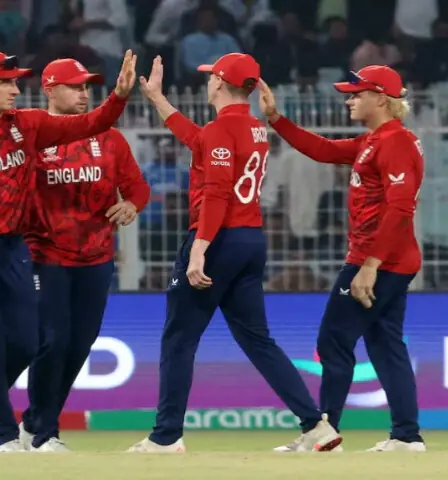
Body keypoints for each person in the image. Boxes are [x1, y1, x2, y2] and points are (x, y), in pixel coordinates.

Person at [0, 50, 137, 453]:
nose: (16, 89)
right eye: (6, 82)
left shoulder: (26, 125)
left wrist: (118, 97)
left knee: (31, 341)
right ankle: (3, 436)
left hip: (12, 245)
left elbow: (92, 123)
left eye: (17, 82)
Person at [126, 54, 341, 454]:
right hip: (249, 240)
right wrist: (157, 99)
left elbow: (218, 191)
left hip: (218, 239)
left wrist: (199, 251)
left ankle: (166, 436)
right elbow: (199, 143)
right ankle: (316, 427)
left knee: (179, 338)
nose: (207, 82)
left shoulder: (221, 129)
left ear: (220, 84)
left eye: (210, 77)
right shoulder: (253, 128)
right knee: (259, 341)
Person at [259, 65, 426, 452]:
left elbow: (400, 209)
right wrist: (276, 120)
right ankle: (406, 435)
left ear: (380, 98)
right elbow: (323, 150)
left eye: (356, 94)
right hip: (388, 259)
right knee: (385, 345)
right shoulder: (377, 140)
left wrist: (369, 266)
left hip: (378, 260)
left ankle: (324, 431)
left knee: (333, 340)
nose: (349, 100)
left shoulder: (394, 142)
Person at [17, 58, 151, 452]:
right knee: (53, 341)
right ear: (50, 89)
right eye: (74, 86)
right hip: (46, 255)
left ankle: (33, 423)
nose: (83, 93)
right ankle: (45, 433)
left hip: (96, 257)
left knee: (80, 345)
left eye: (86, 86)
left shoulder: (109, 138)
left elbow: (138, 188)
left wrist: (132, 206)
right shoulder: (34, 135)